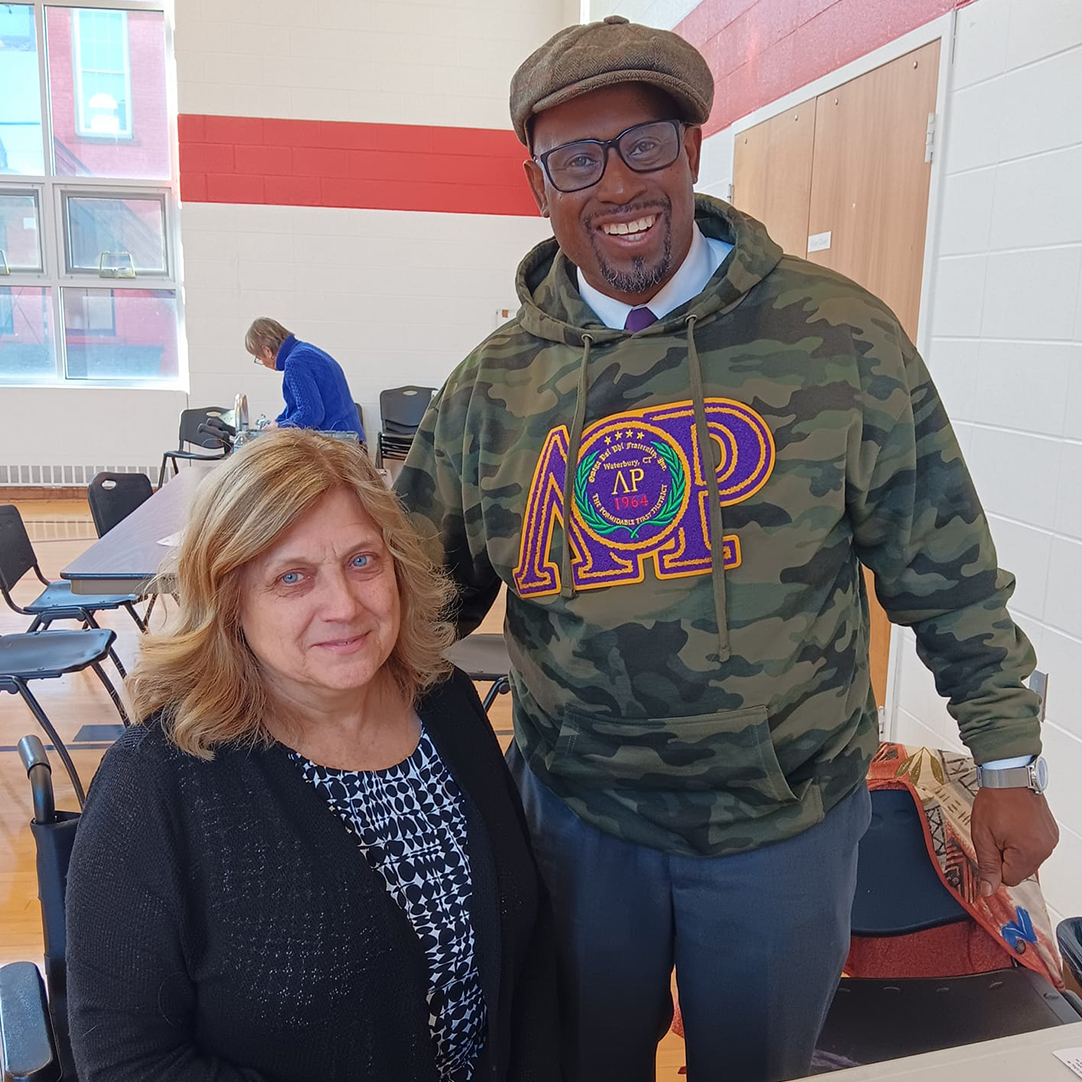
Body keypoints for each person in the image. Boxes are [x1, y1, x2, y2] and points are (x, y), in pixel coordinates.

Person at [394, 15, 1059, 1082]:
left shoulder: (838, 336)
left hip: (781, 823)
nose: (615, 182)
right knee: (572, 1064)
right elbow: (412, 606)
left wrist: (1007, 761)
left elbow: (945, 569)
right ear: (537, 185)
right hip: (578, 823)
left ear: (692, 150)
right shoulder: (492, 387)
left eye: (642, 143)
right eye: (576, 158)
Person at [65, 429, 558, 1082]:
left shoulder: (444, 704)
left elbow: (523, 955)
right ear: (230, 600)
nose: (345, 606)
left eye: (362, 561)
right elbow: (129, 1062)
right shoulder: (159, 783)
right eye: (292, 577)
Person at [245, 316, 365, 440]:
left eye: (259, 358)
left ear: (267, 351)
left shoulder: (295, 363)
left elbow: (312, 414)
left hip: (340, 445)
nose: (263, 364)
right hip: (350, 440)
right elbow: (298, 406)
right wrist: (277, 422)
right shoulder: (305, 351)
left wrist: (280, 428)